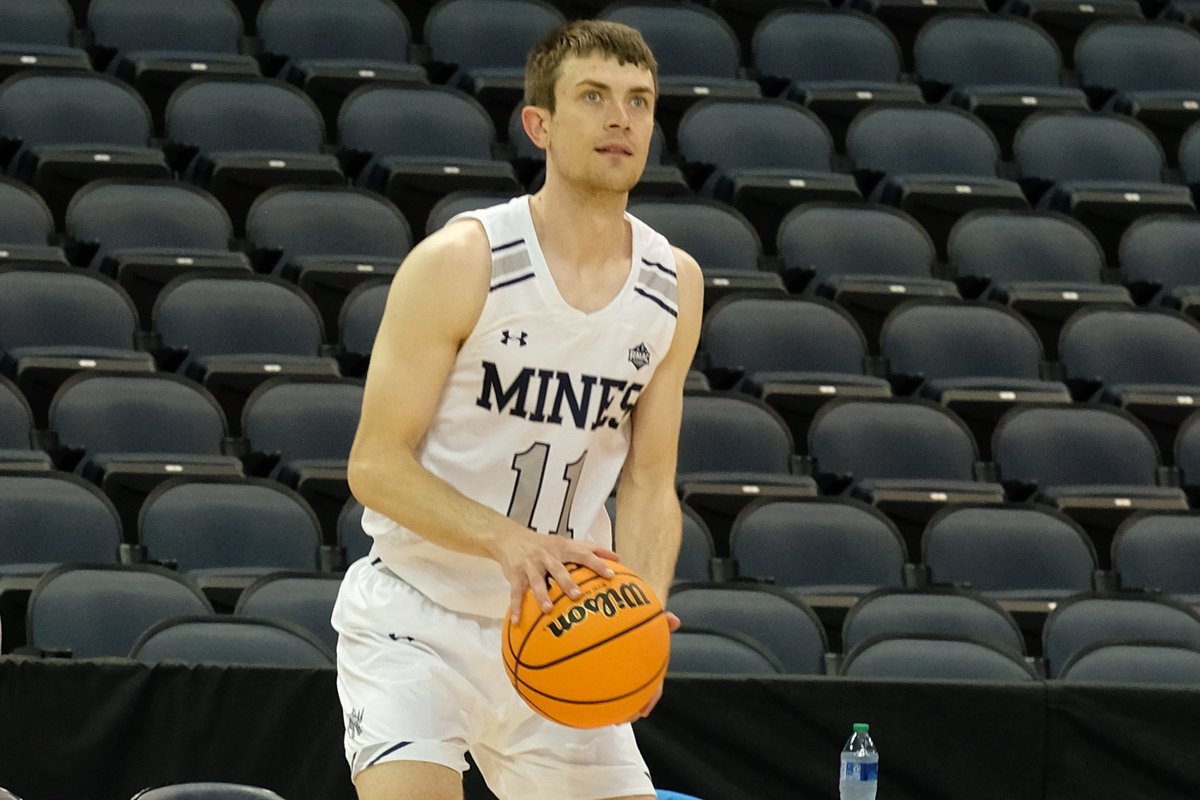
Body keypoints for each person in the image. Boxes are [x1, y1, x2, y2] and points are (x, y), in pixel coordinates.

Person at [332, 18, 703, 800]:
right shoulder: (463, 261)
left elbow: (646, 484)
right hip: (418, 618)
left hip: (563, 624)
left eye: (640, 101)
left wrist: (641, 611)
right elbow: (373, 464)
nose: (620, 119)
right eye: (594, 96)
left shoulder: (675, 283)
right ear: (540, 123)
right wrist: (509, 542)